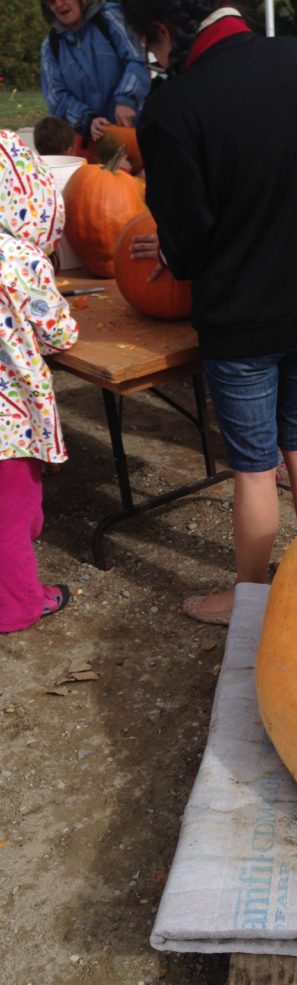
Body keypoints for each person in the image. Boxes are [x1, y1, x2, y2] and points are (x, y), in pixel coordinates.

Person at [120, 0, 297, 626]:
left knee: (253, 471)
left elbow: (188, 250)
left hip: (244, 320)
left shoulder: (172, 106)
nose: (156, 60)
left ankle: (249, 606)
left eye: (151, 46)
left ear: (162, 31)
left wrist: (168, 245)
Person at [0, 132, 80, 633]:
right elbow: (57, 332)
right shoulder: (19, 261)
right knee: (13, 517)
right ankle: (20, 604)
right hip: (7, 428)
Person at [39, 0, 150, 151]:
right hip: (94, 142)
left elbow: (137, 57)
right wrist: (88, 121)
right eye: (51, 1)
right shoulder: (51, 46)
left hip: (135, 130)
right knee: (98, 175)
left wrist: (126, 99)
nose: (59, 4)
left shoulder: (109, 18)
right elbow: (56, 98)